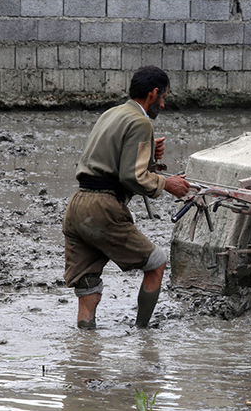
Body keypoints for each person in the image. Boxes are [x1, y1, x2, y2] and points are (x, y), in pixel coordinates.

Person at [62, 65, 191, 329]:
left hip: (77, 206)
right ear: (153, 93)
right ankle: (143, 333)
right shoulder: (141, 121)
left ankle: (85, 352)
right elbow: (132, 177)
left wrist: (146, 152)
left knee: (88, 283)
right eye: (163, 97)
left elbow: (107, 155)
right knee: (156, 264)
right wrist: (168, 184)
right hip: (103, 208)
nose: (163, 105)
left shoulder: (112, 113)